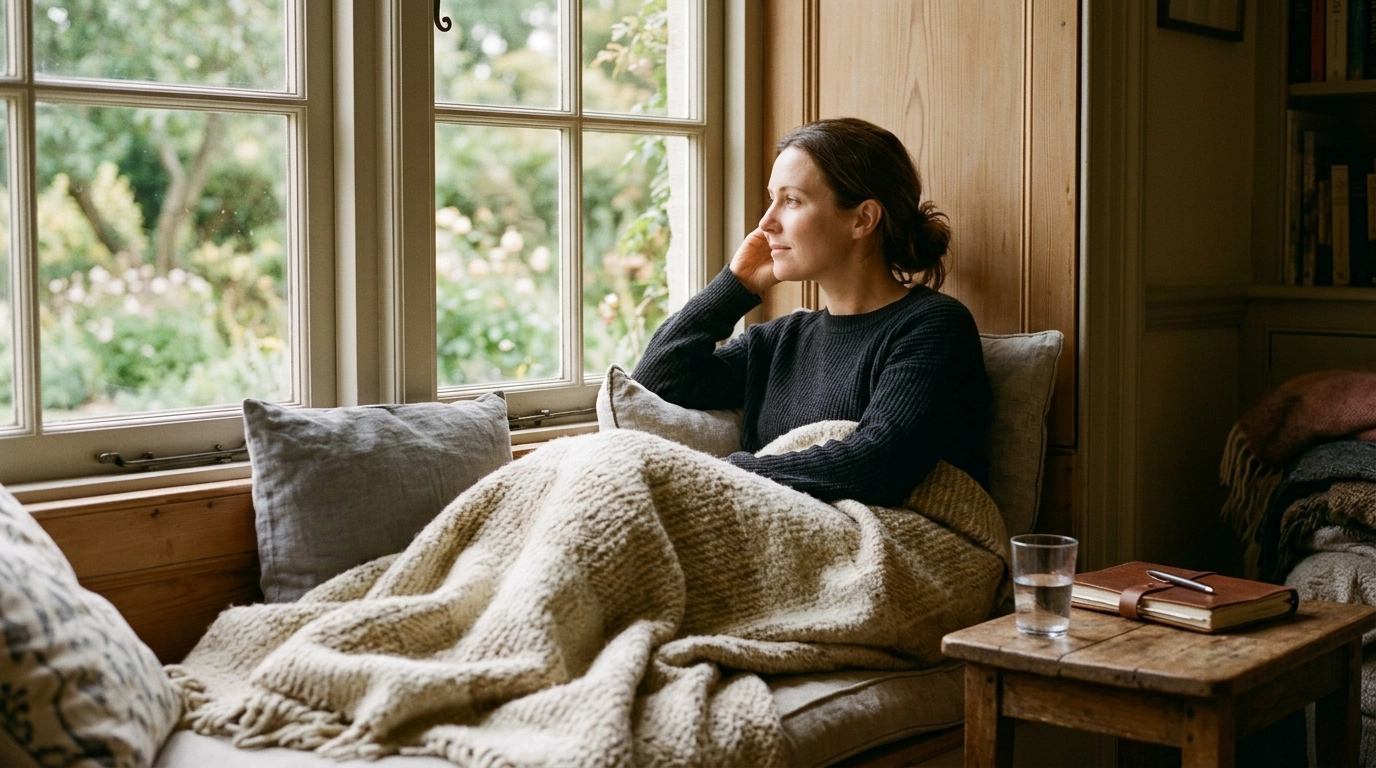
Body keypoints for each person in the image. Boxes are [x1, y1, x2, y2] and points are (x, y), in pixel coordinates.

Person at [633, 117, 990, 508]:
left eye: (791, 200)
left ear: (862, 219)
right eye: (772, 199)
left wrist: (716, 474)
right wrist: (736, 285)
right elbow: (654, 385)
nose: (766, 222)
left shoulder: (932, 326)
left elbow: (877, 464)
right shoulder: (779, 340)